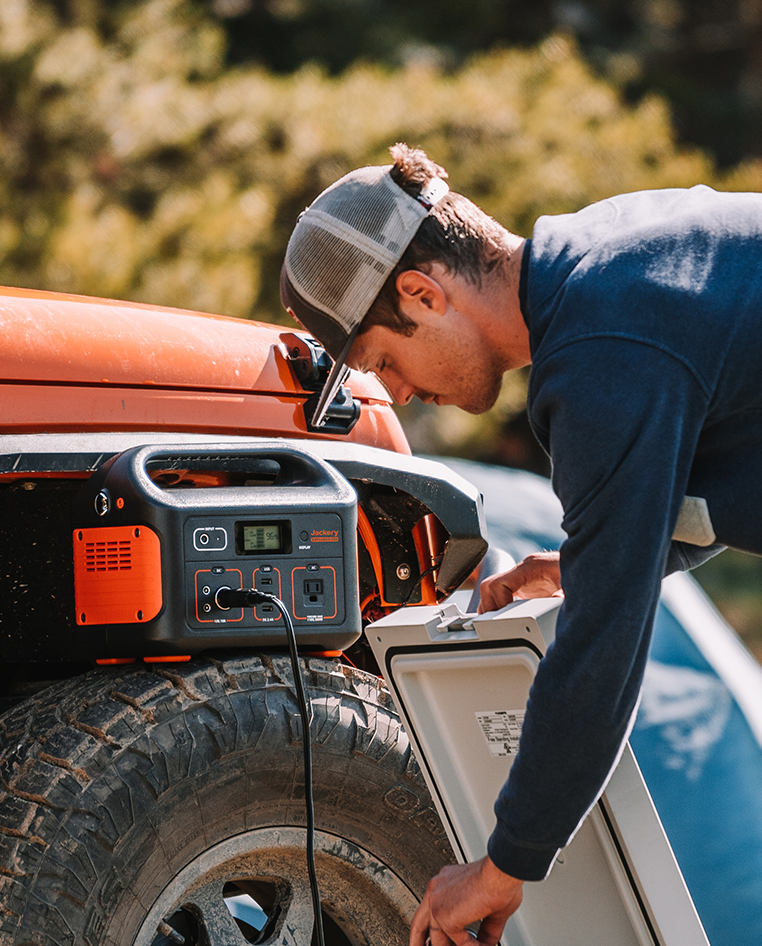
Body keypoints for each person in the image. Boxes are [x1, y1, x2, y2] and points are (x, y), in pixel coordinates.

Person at [279, 143, 762, 946]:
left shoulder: (603, 356)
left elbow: (603, 640)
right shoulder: (609, 263)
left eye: (380, 360)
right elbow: (732, 471)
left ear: (421, 293)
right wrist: (583, 563)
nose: (394, 393)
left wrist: (505, 867)